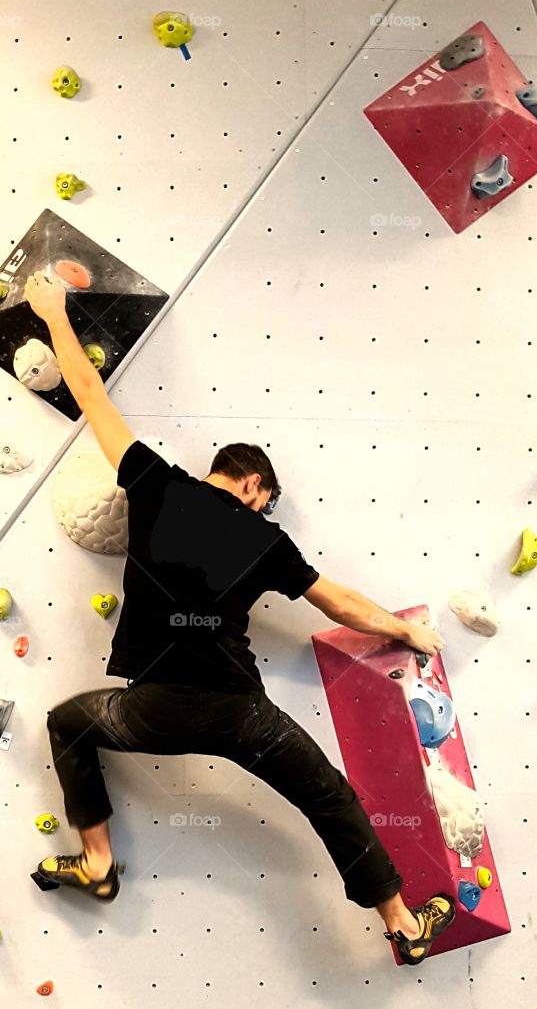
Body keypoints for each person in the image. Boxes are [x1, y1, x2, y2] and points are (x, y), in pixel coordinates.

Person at [23, 270, 455, 965]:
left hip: (152, 708)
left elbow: (90, 393)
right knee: (328, 798)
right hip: (239, 713)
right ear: (253, 483)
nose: (264, 511)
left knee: (68, 723)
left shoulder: (154, 483)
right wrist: (403, 630)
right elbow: (336, 600)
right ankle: (405, 926)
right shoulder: (265, 539)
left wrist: (53, 315)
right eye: (267, 499)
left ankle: (97, 862)